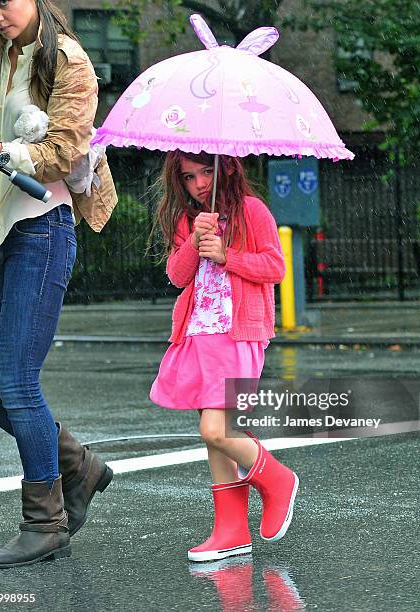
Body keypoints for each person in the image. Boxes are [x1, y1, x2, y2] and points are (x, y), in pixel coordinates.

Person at [0, 0, 114, 569]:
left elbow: (63, 152)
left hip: (42, 227)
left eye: (4, 1)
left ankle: (46, 520)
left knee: (14, 378)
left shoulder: (68, 61)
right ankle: (78, 464)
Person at [149, 150, 299, 562]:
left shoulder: (252, 211)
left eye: (205, 172)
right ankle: (230, 529)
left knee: (216, 430)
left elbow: (274, 266)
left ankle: (277, 478)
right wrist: (195, 243)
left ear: (226, 168)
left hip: (238, 334)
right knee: (213, 433)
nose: (199, 183)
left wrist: (225, 255)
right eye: (189, 177)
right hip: (199, 335)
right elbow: (177, 276)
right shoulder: (189, 220)